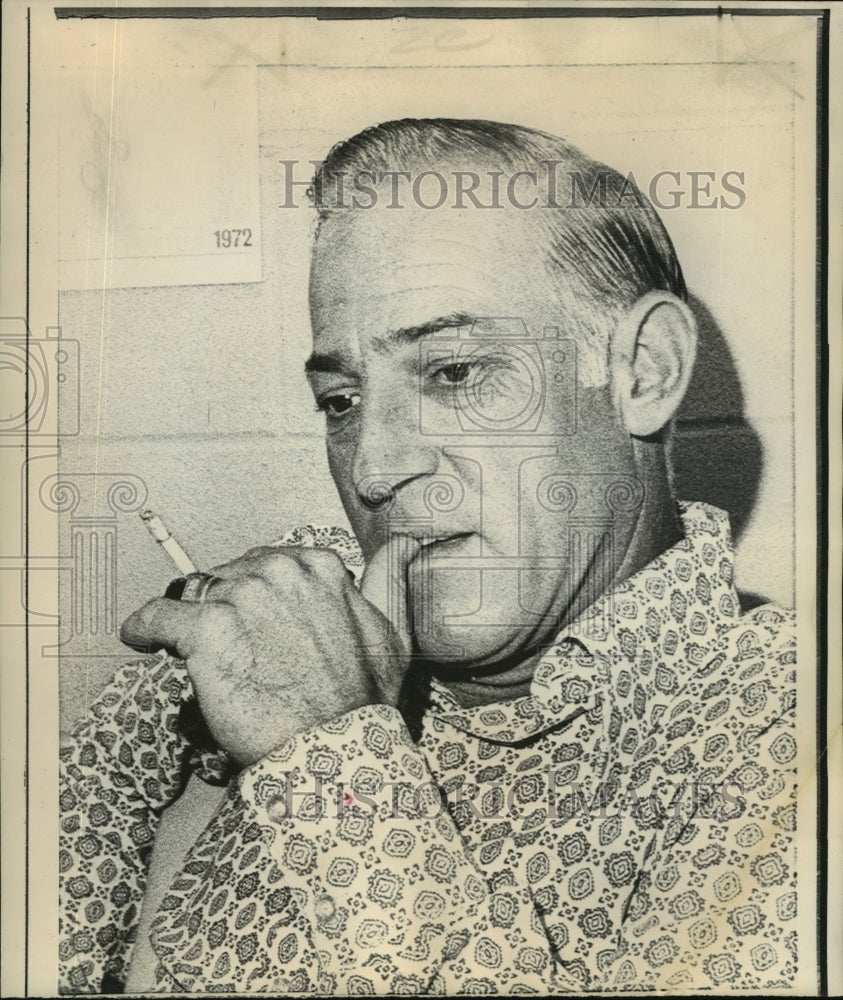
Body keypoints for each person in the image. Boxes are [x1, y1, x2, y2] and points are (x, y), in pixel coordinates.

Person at [59, 119, 797, 994]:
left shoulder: (783, 731)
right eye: (341, 399)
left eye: (452, 373)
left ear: (643, 369)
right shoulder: (334, 620)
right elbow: (70, 814)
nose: (371, 470)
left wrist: (329, 758)